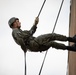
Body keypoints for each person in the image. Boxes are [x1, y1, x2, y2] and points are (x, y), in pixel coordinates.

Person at [8, 17, 76, 53]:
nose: (19, 22)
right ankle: (72, 39)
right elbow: (26, 36)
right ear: (13, 24)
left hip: (33, 47)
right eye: (17, 21)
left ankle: (72, 48)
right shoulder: (15, 31)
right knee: (52, 36)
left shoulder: (18, 32)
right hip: (33, 43)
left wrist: (35, 24)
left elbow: (30, 32)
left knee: (51, 43)